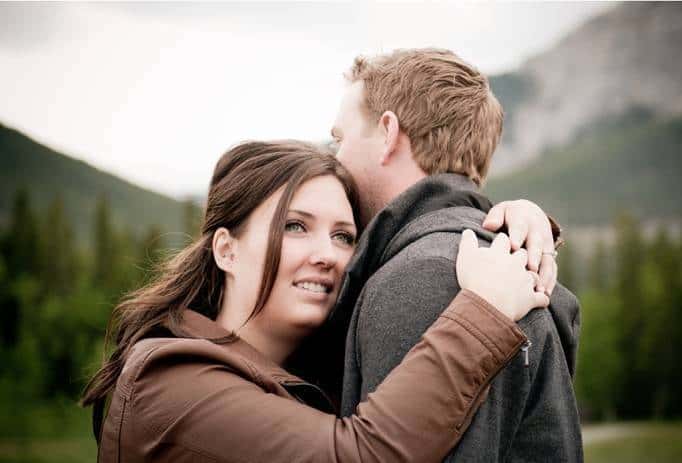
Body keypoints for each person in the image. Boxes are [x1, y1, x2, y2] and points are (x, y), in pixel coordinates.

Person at [82, 140, 550, 462]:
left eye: (344, 236)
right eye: (295, 226)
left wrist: (496, 221)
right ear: (226, 249)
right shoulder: (168, 385)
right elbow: (362, 456)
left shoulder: (309, 370)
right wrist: (482, 312)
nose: (328, 256)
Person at [330, 48, 583, 462]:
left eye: (339, 139)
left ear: (389, 133)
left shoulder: (426, 277)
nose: (334, 158)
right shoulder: (489, 261)